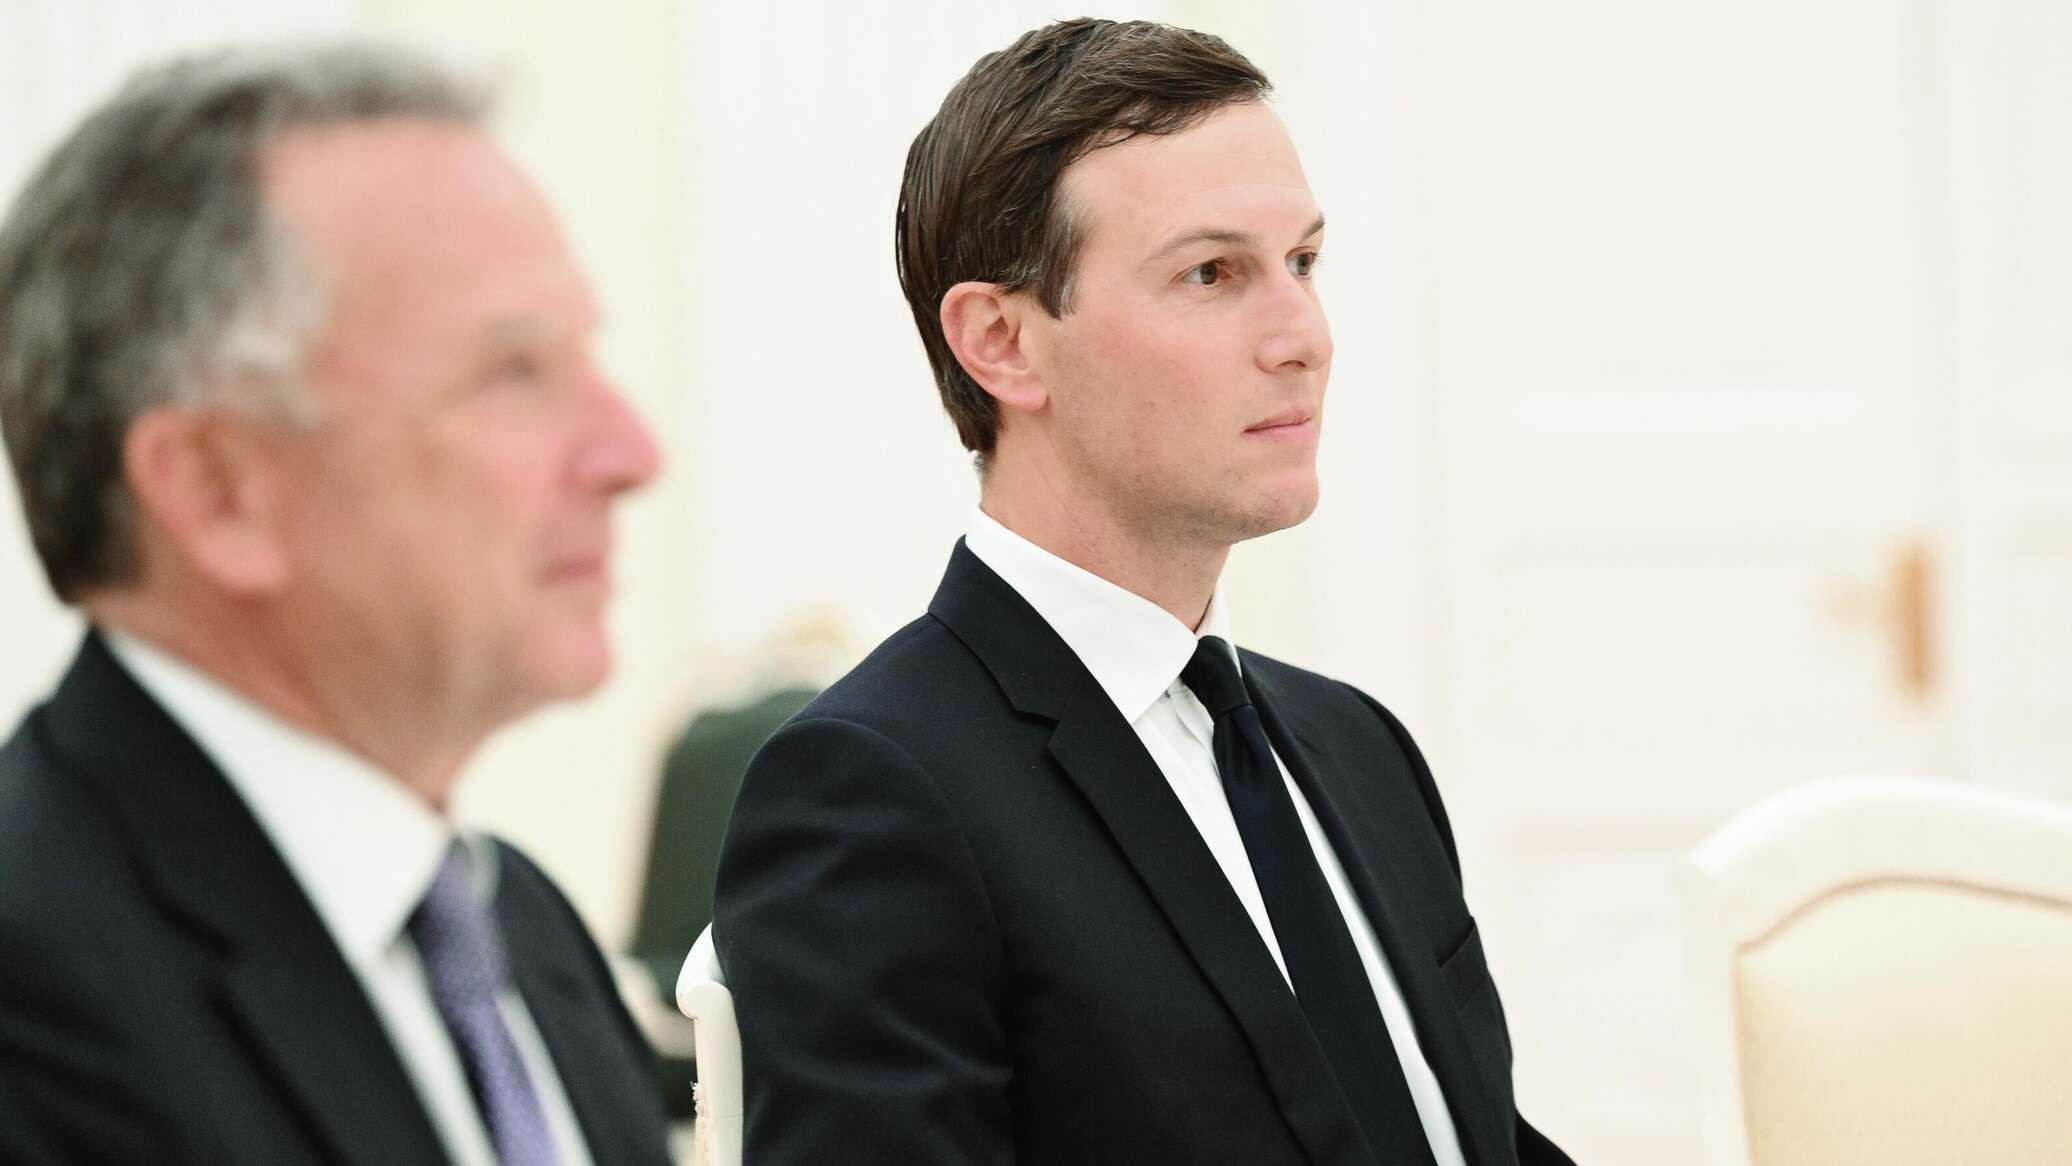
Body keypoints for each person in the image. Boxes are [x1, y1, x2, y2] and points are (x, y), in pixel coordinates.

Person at [713, 18, 1574, 1166]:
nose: (1304, 337)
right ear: (1001, 342)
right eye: (1211, 273)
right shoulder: (871, 792)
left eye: (1302, 262)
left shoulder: (1359, 746)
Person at [0, 44, 672, 1165]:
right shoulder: (32, 995)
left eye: (584, 360)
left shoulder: (523, 930)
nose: (632, 453)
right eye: (512, 372)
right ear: (218, 490)